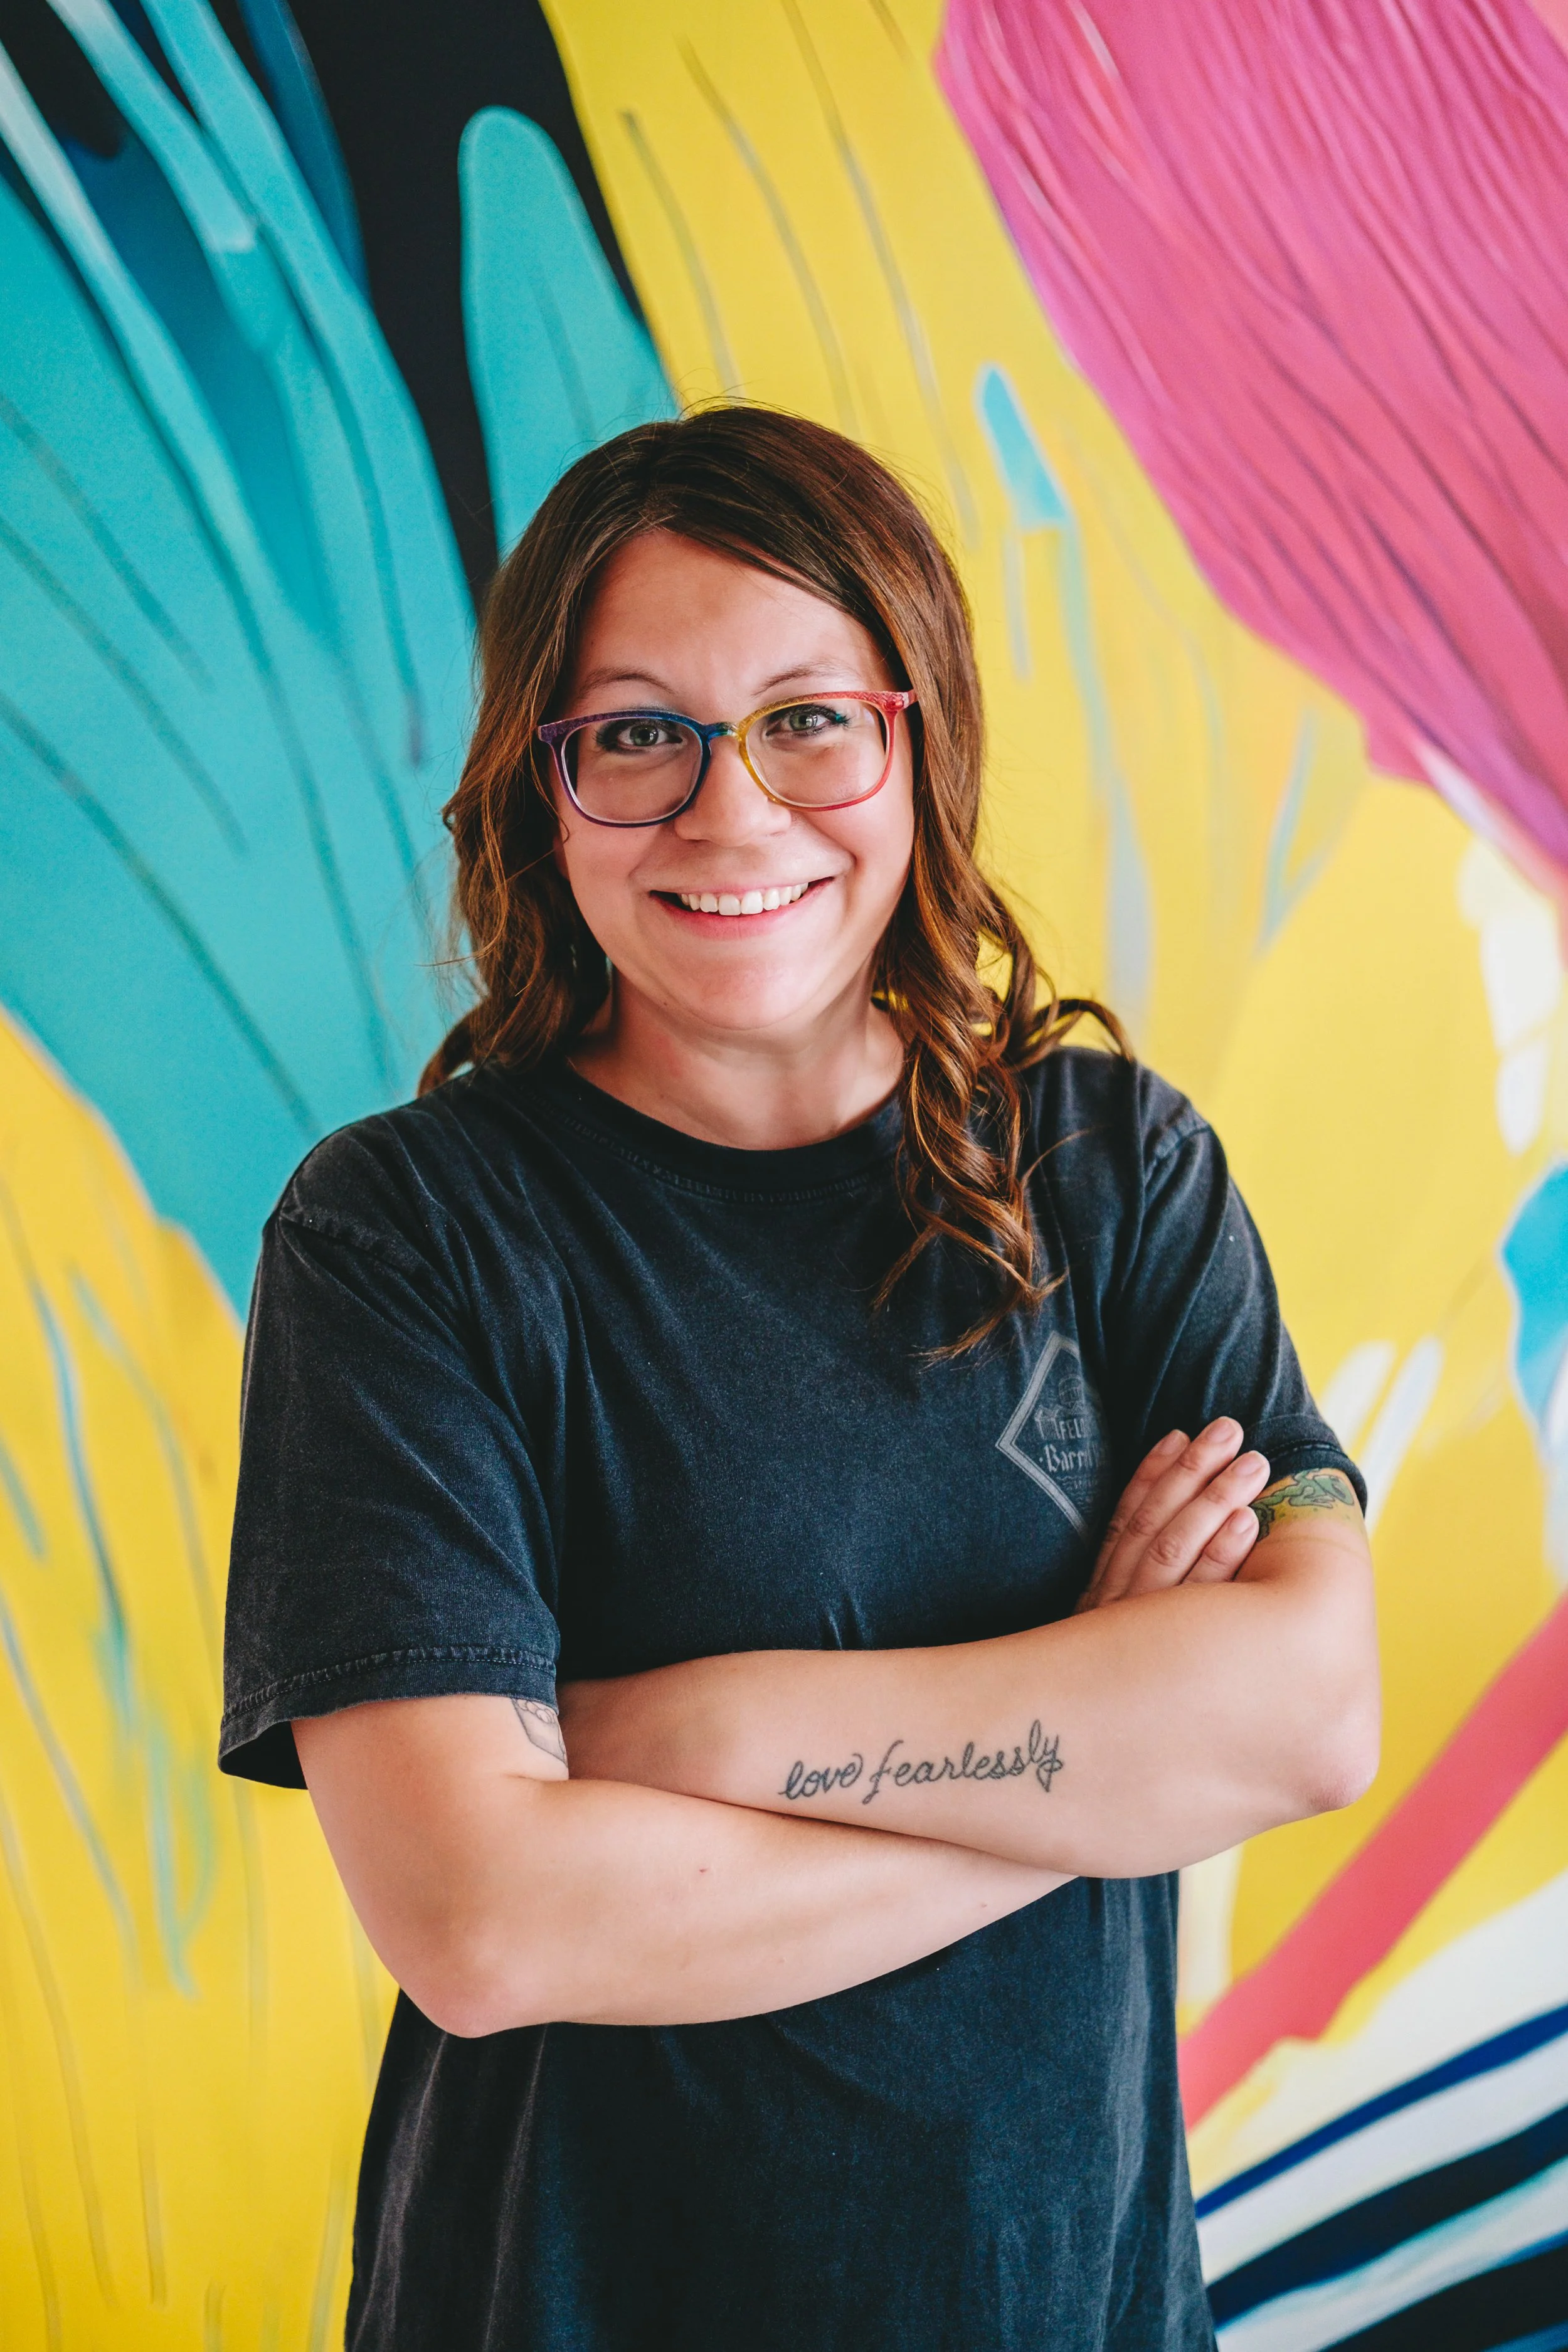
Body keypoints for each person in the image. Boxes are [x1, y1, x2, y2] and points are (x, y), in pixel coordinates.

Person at [220, 406, 1379, 2351]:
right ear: (539, 784)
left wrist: (702, 1733)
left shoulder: (1105, 1172)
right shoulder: (404, 1235)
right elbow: (489, 1926)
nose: (731, 813)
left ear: (915, 739)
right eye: (636, 732)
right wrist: (1089, 1757)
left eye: (807, 716)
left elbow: (1310, 1713)